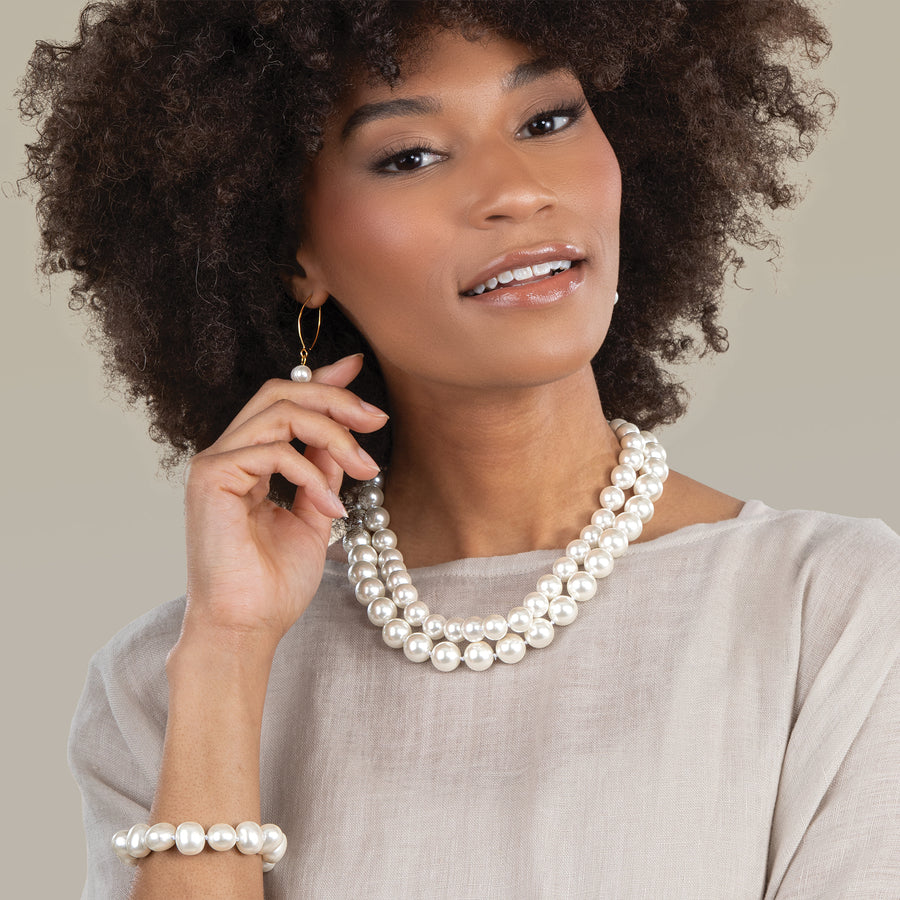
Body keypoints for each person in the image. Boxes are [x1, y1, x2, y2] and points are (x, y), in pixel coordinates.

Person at [19, 1, 898, 898]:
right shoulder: (163, 687)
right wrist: (227, 655)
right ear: (293, 255)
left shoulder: (829, 612)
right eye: (411, 156)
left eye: (548, 120)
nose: (517, 190)